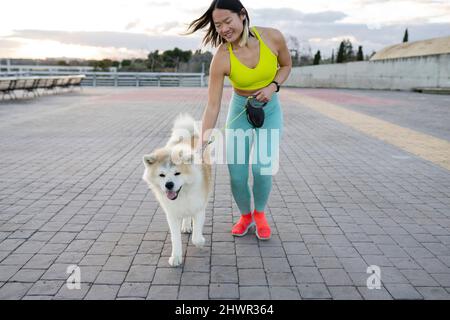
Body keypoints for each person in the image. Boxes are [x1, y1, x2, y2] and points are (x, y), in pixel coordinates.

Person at [186, 0, 292, 240]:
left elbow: (286, 65)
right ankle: (246, 216)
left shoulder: (272, 38)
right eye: (217, 24)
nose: (223, 29)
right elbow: (212, 105)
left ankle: (260, 214)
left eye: (227, 21)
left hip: (270, 110)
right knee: (237, 174)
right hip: (240, 112)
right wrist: (202, 141)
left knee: (262, 168)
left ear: (242, 15)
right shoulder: (222, 57)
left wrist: (273, 86)